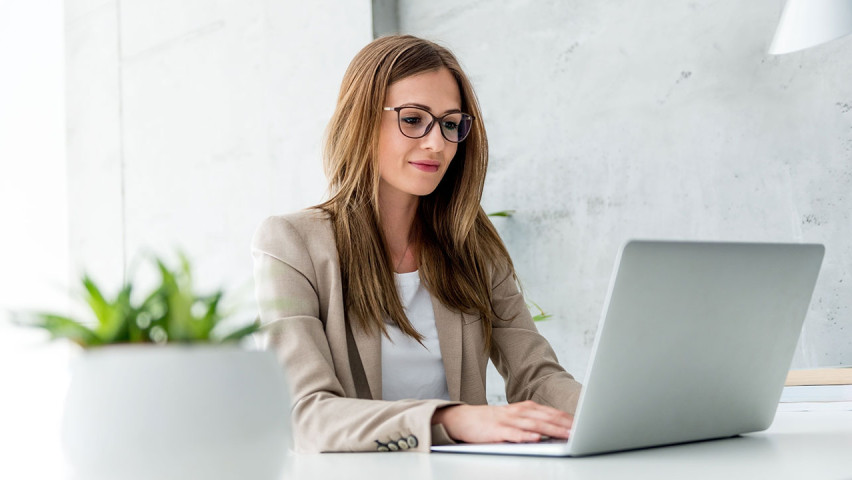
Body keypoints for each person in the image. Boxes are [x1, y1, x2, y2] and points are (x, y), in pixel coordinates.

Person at [251, 35, 581, 453]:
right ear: (361, 119)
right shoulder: (290, 243)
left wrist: (608, 410)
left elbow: (537, 377)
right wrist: (449, 418)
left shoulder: (471, 243)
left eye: (449, 123)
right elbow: (306, 415)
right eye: (412, 119)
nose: (436, 143)